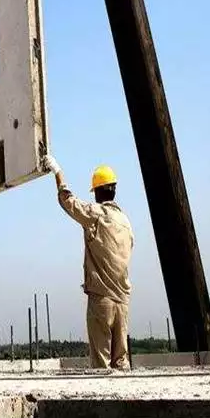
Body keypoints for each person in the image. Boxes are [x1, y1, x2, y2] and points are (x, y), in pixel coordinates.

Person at [43, 155, 134, 369]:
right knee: (121, 362)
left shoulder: (97, 215)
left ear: (98, 192)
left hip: (102, 300)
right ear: (113, 189)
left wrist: (58, 172)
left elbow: (68, 201)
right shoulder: (125, 222)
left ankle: (106, 404)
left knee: (102, 367)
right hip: (123, 301)